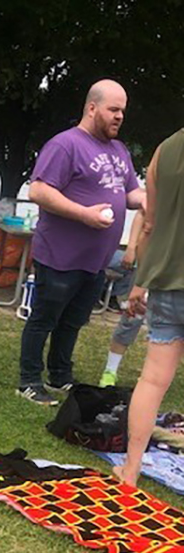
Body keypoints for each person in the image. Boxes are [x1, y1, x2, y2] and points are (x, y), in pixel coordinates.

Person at [18, 79, 145, 405]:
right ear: (92, 108)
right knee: (45, 318)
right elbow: (39, 191)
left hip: (94, 260)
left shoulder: (119, 150)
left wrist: (152, 199)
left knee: (73, 321)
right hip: (60, 255)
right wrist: (83, 214)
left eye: (123, 111)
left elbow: (130, 192)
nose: (119, 117)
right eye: (113, 109)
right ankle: (29, 380)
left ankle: (60, 375)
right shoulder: (65, 145)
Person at [114, 129, 184, 486]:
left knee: (152, 380)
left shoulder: (165, 150)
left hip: (167, 284)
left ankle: (131, 468)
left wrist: (141, 282)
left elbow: (150, 224)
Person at [99, 210, 145, 386]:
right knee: (133, 315)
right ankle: (110, 371)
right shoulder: (166, 187)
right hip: (149, 261)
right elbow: (143, 212)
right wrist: (132, 247)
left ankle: (156, 374)